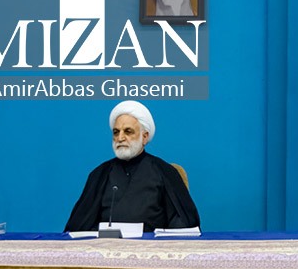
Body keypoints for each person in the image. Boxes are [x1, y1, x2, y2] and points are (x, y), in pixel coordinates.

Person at [65, 100, 200, 233]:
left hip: (151, 246)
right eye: (116, 132)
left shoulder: (164, 172)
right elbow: (79, 226)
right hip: (106, 245)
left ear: (144, 137)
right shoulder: (99, 174)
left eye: (128, 131)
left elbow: (182, 224)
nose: (120, 138)